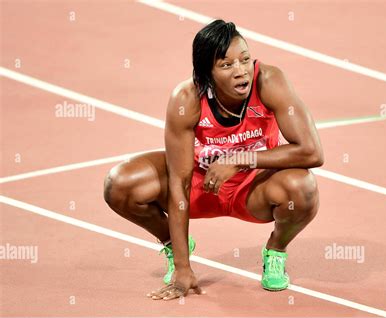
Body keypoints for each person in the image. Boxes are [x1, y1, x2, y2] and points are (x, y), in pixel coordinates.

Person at [103, 19, 324, 301]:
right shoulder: (187, 98)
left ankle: (276, 250)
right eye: (226, 65)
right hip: (203, 185)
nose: (241, 71)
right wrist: (183, 268)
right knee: (120, 184)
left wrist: (241, 159)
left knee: (302, 186)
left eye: (244, 60)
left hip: (253, 188)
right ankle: (174, 245)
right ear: (206, 72)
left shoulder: (269, 81)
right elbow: (179, 181)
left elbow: (312, 152)